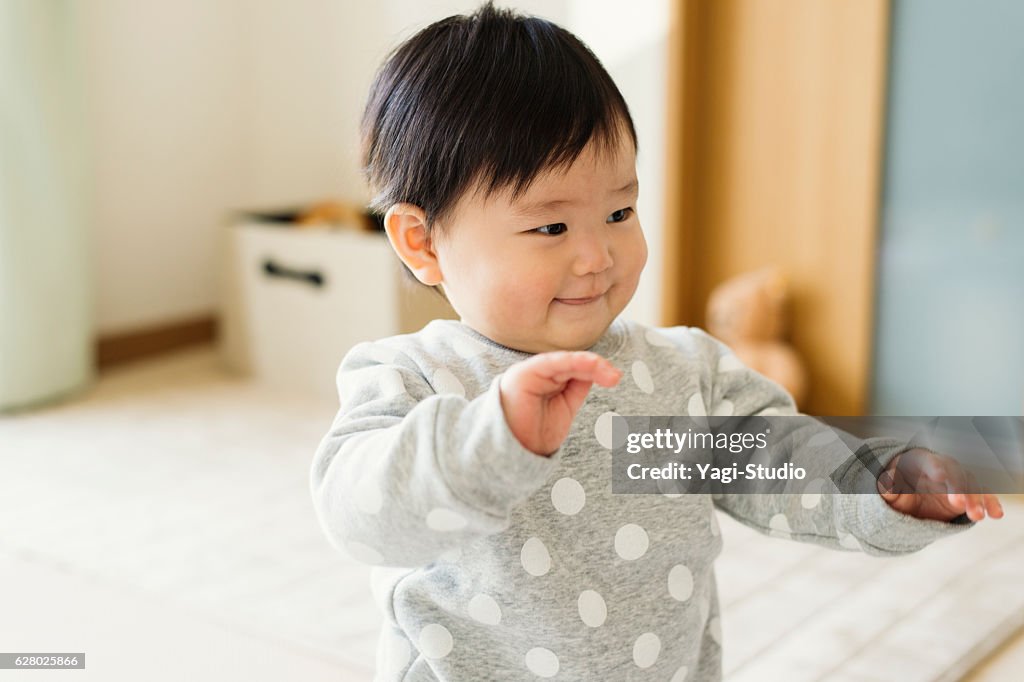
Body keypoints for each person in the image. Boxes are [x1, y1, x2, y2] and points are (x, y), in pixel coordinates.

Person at [309, 3, 1004, 679]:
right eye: (551, 228)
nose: (596, 256)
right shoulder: (417, 378)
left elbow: (780, 464)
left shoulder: (671, 375)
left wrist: (882, 485)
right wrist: (487, 442)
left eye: (618, 211)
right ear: (422, 242)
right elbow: (361, 514)